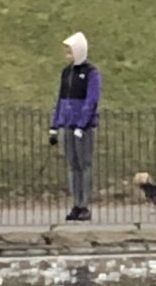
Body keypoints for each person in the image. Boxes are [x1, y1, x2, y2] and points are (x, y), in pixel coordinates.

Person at [48, 31, 100, 223]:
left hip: (83, 127)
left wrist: (82, 123)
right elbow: (61, 100)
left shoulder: (91, 73)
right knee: (72, 166)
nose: (67, 55)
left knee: (84, 165)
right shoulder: (66, 73)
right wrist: (55, 126)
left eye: (70, 51)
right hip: (68, 125)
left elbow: (91, 100)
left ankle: (84, 204)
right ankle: (76, 203)